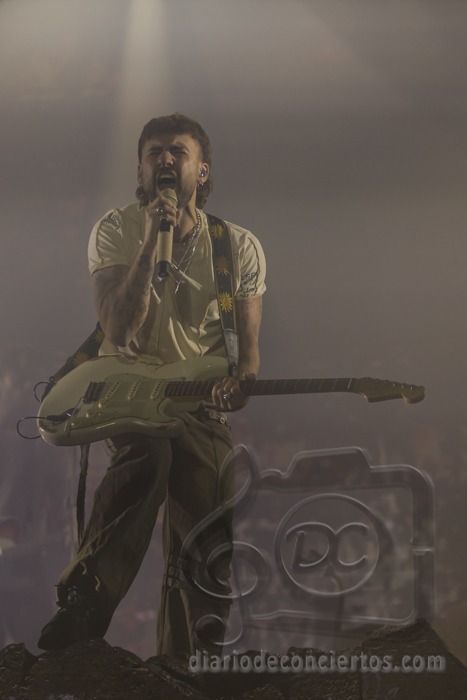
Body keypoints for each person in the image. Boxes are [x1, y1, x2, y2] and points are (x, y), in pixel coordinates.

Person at [37, 113, 266, 656]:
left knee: (205, 515)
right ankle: (85, 602)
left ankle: (191, 656)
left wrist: (240, 384)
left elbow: (248, 353)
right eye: (154, 152)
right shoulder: (115, 230)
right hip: (128, 393)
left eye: (177, 151)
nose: (165, 159)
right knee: (148, 456)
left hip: (198, 401)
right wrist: (150, 241)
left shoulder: (237, 247)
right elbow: (118, 328)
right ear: (140, 171)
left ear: (202, 170)